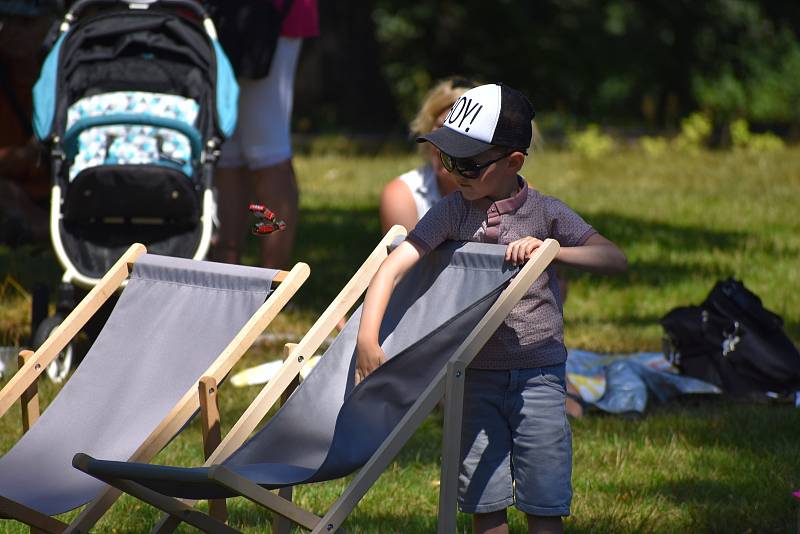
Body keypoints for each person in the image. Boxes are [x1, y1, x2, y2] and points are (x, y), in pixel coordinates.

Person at [355, 83, 627, 533]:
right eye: (447, 159)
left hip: (538, 375)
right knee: (484, 501)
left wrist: (552, 250)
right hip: (472, 375)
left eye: (467, 162)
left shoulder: (545, 213)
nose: (454, 171)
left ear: (514, 162)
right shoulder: (451, 212)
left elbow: (613, 258)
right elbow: (391, 267)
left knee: (543, 503)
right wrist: (368, 338)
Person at [212, 0, 319, 268]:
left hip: (270, 15)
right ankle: (226, 270)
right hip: (217, 17)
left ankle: (274, 283)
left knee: (268, 153)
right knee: (227, 152)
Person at [380, 77, 477, 234]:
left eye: (459, 132)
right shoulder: (402, 195)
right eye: (440, 128)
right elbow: (408, 254)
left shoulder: (516, 192)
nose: (445, 144)